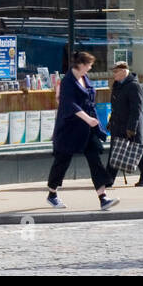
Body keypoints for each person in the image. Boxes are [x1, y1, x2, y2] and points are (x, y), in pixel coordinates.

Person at [47, 51, 118, 210]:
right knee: (62, 161)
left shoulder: (85, 78)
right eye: (88, 65)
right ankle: (52, 194)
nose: (90, 68)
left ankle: (103, 198)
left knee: (95, 160)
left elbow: (88, 100)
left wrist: (94, 122)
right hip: (69, 128)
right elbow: (70, 105)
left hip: (87, 129)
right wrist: (88, 119)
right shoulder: (67, 82)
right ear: (80, 64)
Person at [106, 60, 143, 187]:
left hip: (131, 125)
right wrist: (111, 121)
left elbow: (136, 109)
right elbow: (115, 106)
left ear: (124, 71)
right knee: (115, 151)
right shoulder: (117, 85)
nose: (114, 74)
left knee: (137, 151)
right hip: (118, 124)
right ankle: (109, 179)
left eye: (116, 72)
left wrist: (131, 128)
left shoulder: (133, 86)